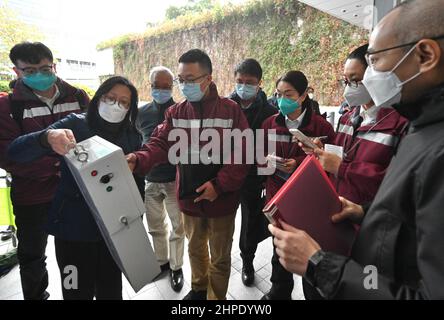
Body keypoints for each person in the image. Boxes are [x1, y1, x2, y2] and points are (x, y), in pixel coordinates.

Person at [270, 0, 444, 299]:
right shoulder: (420, 124)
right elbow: (407, 212)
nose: (365, 80)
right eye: (347, 80)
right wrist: (364, 213)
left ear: (426, 55)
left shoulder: (420, 134)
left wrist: (319, 265)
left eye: (375, 61)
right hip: (355, 244)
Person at [126, 49, 250, 300]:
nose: (184, 85)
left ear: (208, 78)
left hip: (221, 200)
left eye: (190, 79)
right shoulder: (177, 112)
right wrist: (138, 159)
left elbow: (243, 153)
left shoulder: (230, 110)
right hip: (189, 198)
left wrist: (219, 185)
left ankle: (216, 298)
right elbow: (160, 143)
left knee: (220, 256)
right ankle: (198, 289)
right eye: (181, 80)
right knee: (194, 250)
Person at [7, 76, 143, 300]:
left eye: (124, 102)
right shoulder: (74, 125)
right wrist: (46, 137)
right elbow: (16, 151)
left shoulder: (131, 136)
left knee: (111, 292)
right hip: (73, 231)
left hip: (114, 232)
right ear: (99, 98)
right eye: (110, 98)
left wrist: (136, 218)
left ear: (130, 108)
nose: (116, 105)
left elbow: (136, 182)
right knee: (76, 291)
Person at [0, 42, 88, 300]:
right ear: (17, 72)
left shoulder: (77, 97)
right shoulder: (8, 107)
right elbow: (8, 155)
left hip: (73, 193)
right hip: (32, 196)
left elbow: (92, 137)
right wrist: (55, 165)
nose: (39, 74)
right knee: (32, 256)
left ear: (54, 66)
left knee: (73, 251)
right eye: (30, 70)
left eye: (44, 68)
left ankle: (76, 294)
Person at [302, 44, 409, 206]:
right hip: (338, 207)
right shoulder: (346, 118)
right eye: (345, 81)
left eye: (355, 80)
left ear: (375, 78)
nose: (348, 88)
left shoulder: (401, 124)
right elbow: (340, 157)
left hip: (371, 218)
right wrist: (322, 152)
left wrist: (341, 168)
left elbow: (398, 186)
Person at [260, 71, 335, 300]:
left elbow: (330, 166)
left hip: (308, 200)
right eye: (278, 94)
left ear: (303, 95)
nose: (282, 99)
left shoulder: (322, 128)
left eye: (288, 94)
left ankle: (312, 293)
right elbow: (259, 159)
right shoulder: (268, 124)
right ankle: (279, 291)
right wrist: (270, 162)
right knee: (279, 249)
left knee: (309, 251)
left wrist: (299, 164)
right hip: (277, 198)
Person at [228, 59, 277, 286]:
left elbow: (271, 148)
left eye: (250, 82)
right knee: (223, 223)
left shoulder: (270, 113)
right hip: (226, 178)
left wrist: (266, 179)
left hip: (253, 180)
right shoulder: (225, 107)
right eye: (240, 81)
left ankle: (247, 262)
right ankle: (219, 260)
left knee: (249, 225)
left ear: (260, 84)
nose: (243, 86)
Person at [136, 66, 185, 292]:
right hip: (150, 180)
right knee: (155, 226)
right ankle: (162, 262)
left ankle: (176, 267)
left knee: (178, 227)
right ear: (151, 86)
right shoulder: (141, 113)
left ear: (172, 86)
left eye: (167, 87)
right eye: (158, 86)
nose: (162, 90)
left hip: (174, 179)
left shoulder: (181, 112)